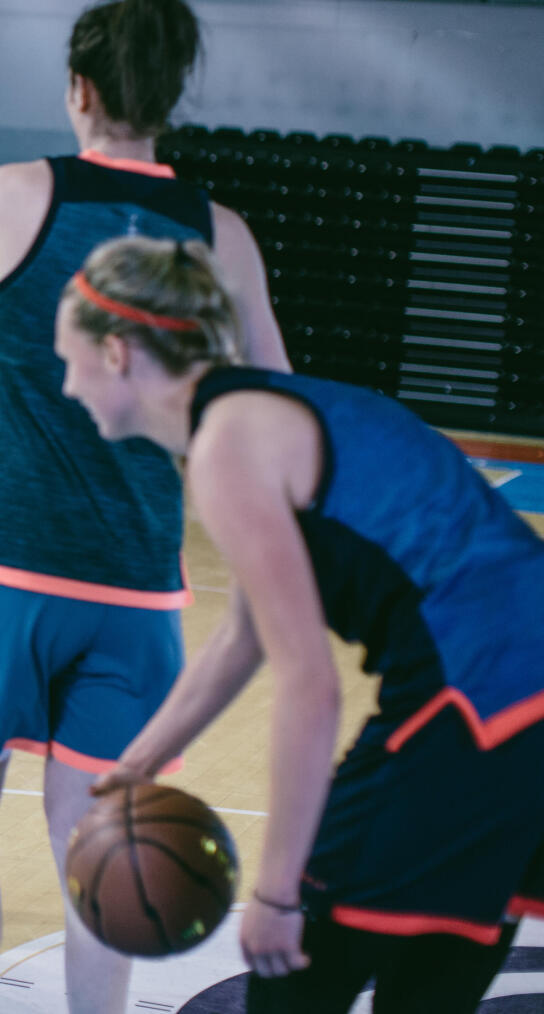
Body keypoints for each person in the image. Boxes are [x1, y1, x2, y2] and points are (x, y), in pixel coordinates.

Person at [0, 0, 288, 1014]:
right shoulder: (220, 233)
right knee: (105, 840)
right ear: (169, 98)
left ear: (79, 90)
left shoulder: (15, 194)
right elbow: (278, 407)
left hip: (4, 561)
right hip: (138, 580)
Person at [61, 235, 544, 1014]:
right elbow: (244, 634)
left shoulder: (226, 445)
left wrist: (282, 891)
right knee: (434, 978)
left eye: (69, 358)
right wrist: (140, 760)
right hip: (521, 698)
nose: (67, 383)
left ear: (117, 353)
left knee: (294, 983)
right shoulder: (270, 406)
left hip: (476, 696)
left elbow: (311, 687)